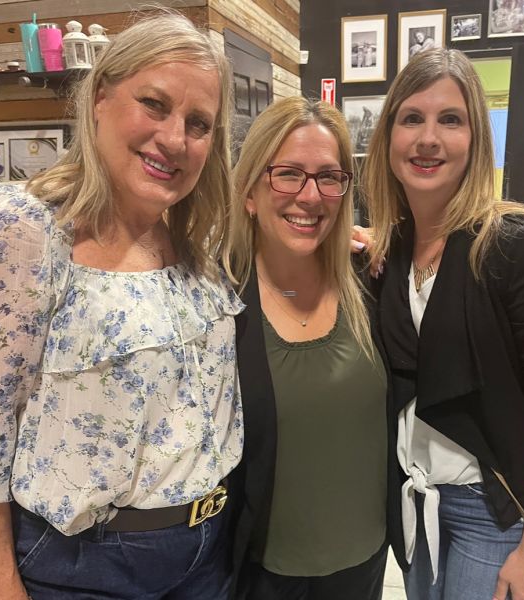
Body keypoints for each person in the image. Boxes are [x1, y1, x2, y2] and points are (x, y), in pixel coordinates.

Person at [0, 11, 244, 600]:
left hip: (209, 552)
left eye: (199, 123)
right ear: (101, 95)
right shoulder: (28, 229)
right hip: (84, 566)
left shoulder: (197, 240)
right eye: (154, 104)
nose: (175, 139)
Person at [361, 48, 524, 600]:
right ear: (388, 136)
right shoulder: (389, 252)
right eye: (411, 118)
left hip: (494, 512)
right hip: (414, 504)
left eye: (450, 120)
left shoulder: (516, 245)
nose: (428, 138)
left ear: (476, 139)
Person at [224, 97, 389, 600]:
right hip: (264, 573)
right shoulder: (219, 299)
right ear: (251, 191)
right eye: (289, 174)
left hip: (362, 565)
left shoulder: (371, 281)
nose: (310, 196)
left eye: (328, 177)